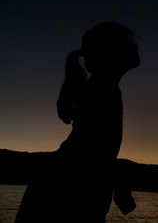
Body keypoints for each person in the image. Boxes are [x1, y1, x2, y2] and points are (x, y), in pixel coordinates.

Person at [14, 21, 140, 223]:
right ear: (110, 51)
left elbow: (93, 147)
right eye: (129, 41)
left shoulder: (103, 87)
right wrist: (118, 175)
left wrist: (116, 174)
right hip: (65, 190)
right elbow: (91, 149)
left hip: (61, 185)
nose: (135, 45)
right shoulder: (102, 89)